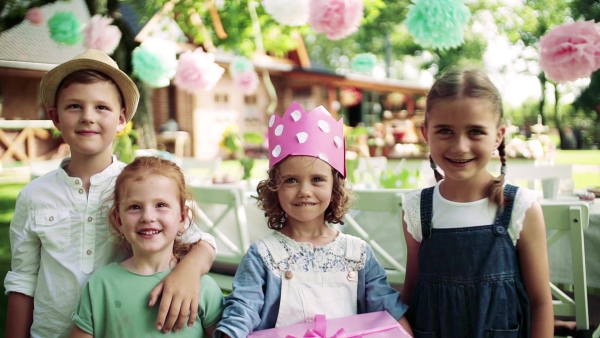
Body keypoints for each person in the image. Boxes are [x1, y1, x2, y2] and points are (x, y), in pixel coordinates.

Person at [4, 49, 217, 338]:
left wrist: (189, 271)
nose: (87, 117)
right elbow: (23, 279)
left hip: (122, 329)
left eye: (101, 107)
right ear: (55, 117)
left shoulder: (141, 187)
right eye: (74, 106)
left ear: (121, 120)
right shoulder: (34, 196)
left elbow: (201, 241)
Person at [215, 102, 413, 337]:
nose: (304, 191)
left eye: (317, 179)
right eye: (291, 180)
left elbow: (387, 308)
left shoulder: (357, 254)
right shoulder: (264, 255)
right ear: (274, 188)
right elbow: (243, 309)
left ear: (335, 186)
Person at [400, 68, 553, 337]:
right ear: (426, 134)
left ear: (498, 136)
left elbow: (540, 303)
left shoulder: (520, 209)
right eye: (445, 131)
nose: (460, 146)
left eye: (475, 132)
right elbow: (412, 292)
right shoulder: (415, 210)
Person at [69, 157, 223, 337]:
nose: (148, 217)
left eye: (161, 205)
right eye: (135, 207)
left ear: (182, 218)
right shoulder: (101, 284)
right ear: (118, 220)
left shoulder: (203, 287)